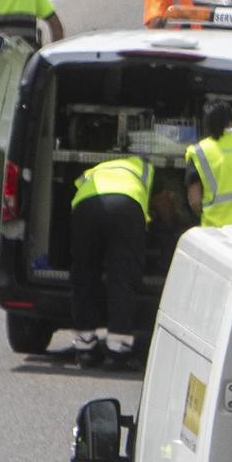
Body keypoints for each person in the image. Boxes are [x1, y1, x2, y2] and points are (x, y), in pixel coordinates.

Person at [69, 154, 153, 368]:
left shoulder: (94, 171)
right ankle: (118, 349)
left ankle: (84, 346)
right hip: (126, 205)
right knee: (122, 275)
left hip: (85, 207)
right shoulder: (145, 168)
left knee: (84, 273)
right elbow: (162, 205)